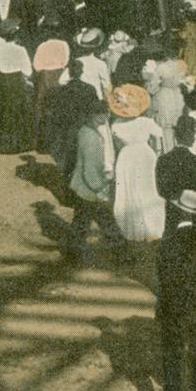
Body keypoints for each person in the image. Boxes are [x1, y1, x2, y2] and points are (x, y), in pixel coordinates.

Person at [157, 190, 196, 391]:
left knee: (172, 354)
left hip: (173, 307)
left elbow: (163, 278)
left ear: (177, 211)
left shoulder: (167, 242)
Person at [110, 84, 167, 242]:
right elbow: (159, 135)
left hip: (127, 157)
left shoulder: (116, 125)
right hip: (145, 155)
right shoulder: (146, 122)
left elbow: (117, 144)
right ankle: (152, 227)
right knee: (148, 189)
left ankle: (132, 228)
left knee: (130, 189)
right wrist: (158, 150)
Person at [70, 108, 127, 263]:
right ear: (94, 115)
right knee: (107, 222)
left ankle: (72, 254)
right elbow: (90, 168)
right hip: (90, 188)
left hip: (82, 187)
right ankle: (123, 255)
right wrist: (100, 188)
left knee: (81, 223)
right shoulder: (91, 137)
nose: (106, 117)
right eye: (102, 114)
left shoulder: (86, 130)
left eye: (106, 114)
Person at [0, 24, 36, 155]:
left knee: (5, 110)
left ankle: (5, 144)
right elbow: (28, 71)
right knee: (19, 110)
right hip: (17, 83)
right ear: (15, 35)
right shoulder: (21, 50)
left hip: (4, 83)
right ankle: (21, 143)